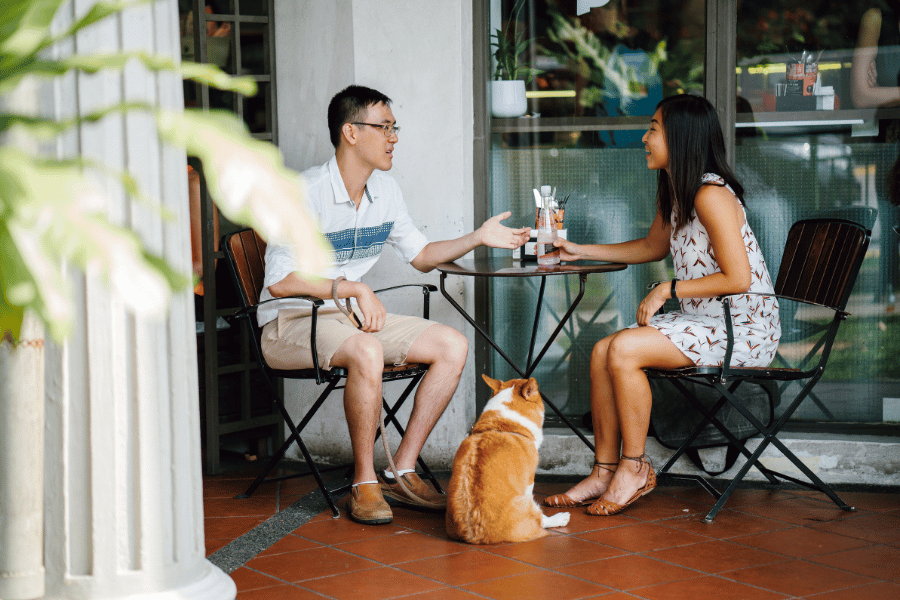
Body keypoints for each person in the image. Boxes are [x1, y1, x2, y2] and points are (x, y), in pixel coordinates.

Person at [258, 85, 530, 525]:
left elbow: (421, 255)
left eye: (393, 127)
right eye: (384, 127)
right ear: (350, 132)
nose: (394, 137)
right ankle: (364, 483)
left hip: (347, 318)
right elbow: (280, 284)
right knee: (368, 350)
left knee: (451, 345)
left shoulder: (384, 191)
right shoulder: (302, 192)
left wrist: (478, 237)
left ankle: (400, 470)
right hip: (291, 322)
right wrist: (350, 287)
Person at [543, 94, 781, 516]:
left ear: (682, 137)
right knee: (602, 351)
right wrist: (581, 250)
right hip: (706, 321)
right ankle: (603, 470)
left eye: (653, 128)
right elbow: (652, 246)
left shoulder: (711, 195)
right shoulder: (677, 191)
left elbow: (738, 279)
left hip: (742, 328)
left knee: (623, 349)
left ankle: (634, 470)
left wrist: (667, 289)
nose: (644, 137)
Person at [852, 2, 900, 304]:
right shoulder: (877, 18)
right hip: (891, 141)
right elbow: (862, 94)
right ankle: (887, 292)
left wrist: (888, 95)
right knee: (893, 221)